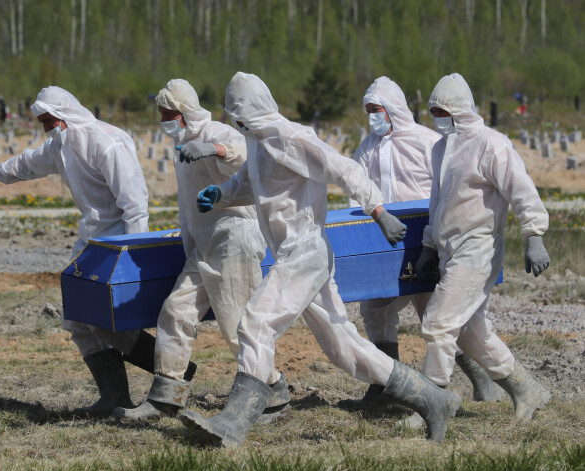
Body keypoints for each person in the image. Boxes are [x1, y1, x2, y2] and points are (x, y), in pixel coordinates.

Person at [180, 72, 462, 447]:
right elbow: (249, 183)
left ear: (253, 109)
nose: (235, 121)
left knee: (256, 323)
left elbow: (343, 168)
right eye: (232, 114)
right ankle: (433, 398)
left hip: (305, 250)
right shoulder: (261, 142)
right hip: (293, 253)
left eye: (237, 112)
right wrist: (219, 194)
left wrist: (378, 210)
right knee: (345, 348)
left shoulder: (292, 137)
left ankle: (236, 420)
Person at [0, 86, 195, 417]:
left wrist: (134, 257)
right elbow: (29, 163)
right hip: (91, 241)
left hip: (118, 241)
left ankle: (174, 371)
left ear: (65, 115)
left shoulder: (107, 142)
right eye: (42, 123)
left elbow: (134, 206)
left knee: (107, 321)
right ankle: (114, 396)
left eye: (49, 121)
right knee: (76, 318)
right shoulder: (62, 145)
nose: (47, 128)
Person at [114, 79, 289, 423]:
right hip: (205, 246)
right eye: (162, 114)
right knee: (176, 312)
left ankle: (273, 396)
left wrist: (214, 150)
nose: (165, 121)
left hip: (234, 241)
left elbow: (241, 155)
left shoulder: (213, 132)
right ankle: (166, 397)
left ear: (185, 112)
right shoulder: (182, 147)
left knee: (238, 326)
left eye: (169, 114)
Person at [339, 77, 504, 411]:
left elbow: (446, 189)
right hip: (386, 243)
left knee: (437, 313)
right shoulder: (368, 146)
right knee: (374, 309)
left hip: (425, 240)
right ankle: (384, 386)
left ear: (393, 109)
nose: (373, 116)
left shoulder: (427, 141)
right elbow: (356, 185)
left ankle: (481, 380)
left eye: (378, 109)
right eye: (369, 110)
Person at [416, 73, 551, 422]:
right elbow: (437, 202)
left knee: (439, 323)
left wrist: (534, 234)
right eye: (433, 111)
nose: (437, 117)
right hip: (450, 250)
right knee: (471, 333)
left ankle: (433, 404)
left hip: (478, 249)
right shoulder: (440, 148)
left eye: (442, 111)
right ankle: (528, 390)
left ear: (459, 110)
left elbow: (521, 189)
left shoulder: (491, 144)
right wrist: (430, 245)